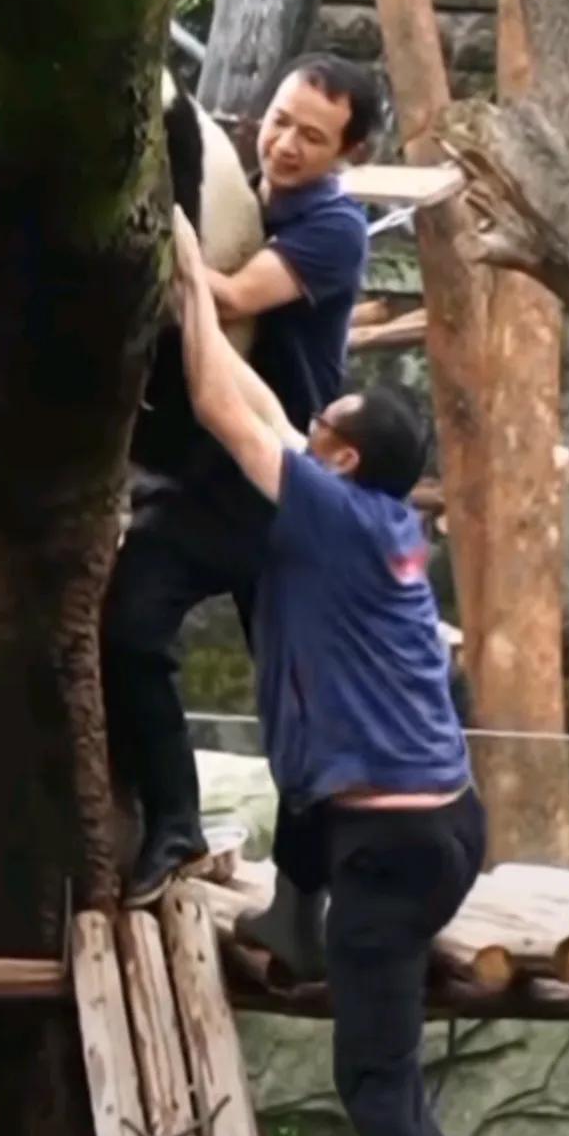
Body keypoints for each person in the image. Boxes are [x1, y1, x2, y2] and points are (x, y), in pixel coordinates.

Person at [170, 203, 539, 1136]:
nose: (302, 424)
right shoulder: (379, 518)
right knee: (302, 785)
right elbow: (267, 410)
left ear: (334, 459)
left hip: (389, 854)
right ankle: (294, 914)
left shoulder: (324, 515)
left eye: (318, 423)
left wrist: (182, 264)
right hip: (440, 821)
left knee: (375, 1079)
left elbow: (219, 401)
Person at [104, 54, 379, 908]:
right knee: (129, 634)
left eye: (312, 136)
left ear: (351, 152)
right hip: (206, 470)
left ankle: (312, 893)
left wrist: (160, 237)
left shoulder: (334, 227)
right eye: (281, 121)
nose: (285, 143)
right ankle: (175, 825)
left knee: (301, 700)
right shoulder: (249, 192)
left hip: (281, 483)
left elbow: (222, 299)